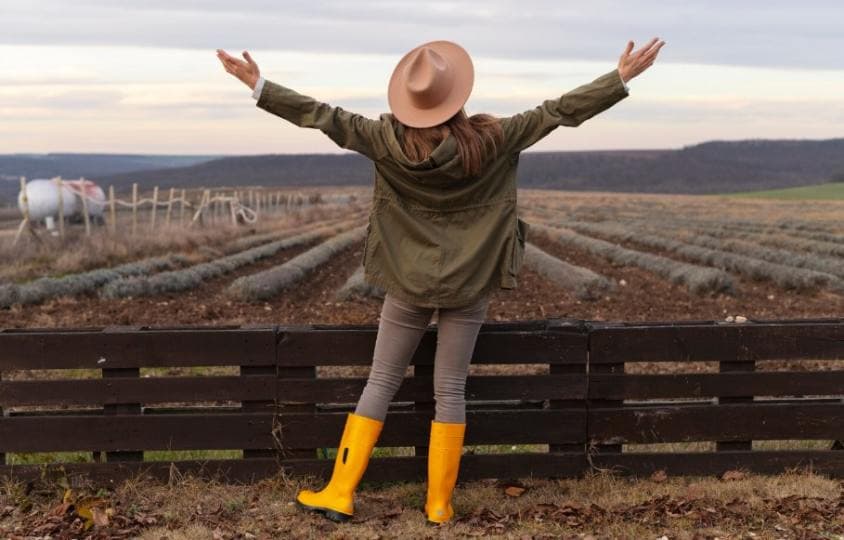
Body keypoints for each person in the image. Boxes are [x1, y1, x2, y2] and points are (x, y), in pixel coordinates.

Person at [216, 37, 664, 524]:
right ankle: (438, 504)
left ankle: (341, 491)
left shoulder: (384, 140)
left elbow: (324, 116)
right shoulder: (494, 139)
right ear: (458, 96)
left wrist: (259, 85)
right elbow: (556, 112)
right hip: (469, 286)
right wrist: (618, 78)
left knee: (381, 382)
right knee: (450, 389)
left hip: (407, 284)